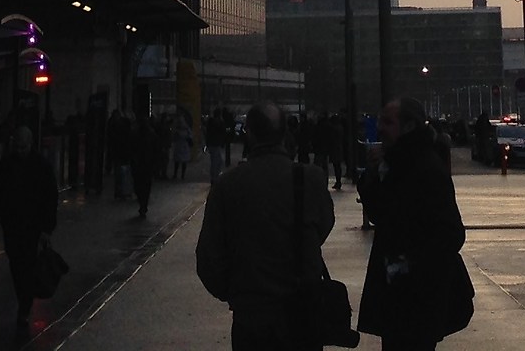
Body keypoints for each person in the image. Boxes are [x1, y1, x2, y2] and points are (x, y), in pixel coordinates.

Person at [196, 102, 337, 351]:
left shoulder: (227, 185)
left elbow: (209, 255)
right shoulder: (310, 178)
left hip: (252, 311)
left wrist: (233, 292)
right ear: (285, 134)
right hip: (302, 307)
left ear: (248, 133)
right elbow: (324, 225)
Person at [354, 98, 473, 351]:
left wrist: (408, 263)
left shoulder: (423, 167)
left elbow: (451, 232)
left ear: (408, 127)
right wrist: (375, 173)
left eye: (388, 122)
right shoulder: (401, 162)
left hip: (416, 295)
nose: (381, 127)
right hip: (407, 292)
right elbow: (381, 212)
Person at [0, 126, 60, 336]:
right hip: (16, 223)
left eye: (23, 146)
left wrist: (46, 228)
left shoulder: (19, 165)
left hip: (26, 225)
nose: (20, 150)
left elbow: (49, 197)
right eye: (18, 146)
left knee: (22, 264)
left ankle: (24, 304)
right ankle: (24, 301)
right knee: (18, 263)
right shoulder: (33, 165)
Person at [130, 111, 170, 221]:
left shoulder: (141, 134)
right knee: (144, 186)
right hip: (145, 164)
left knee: (140, 186)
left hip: (143, 164)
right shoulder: (149, 135)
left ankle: (142, 204)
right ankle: (143, 204)